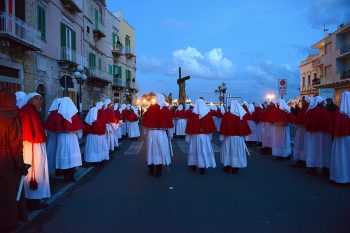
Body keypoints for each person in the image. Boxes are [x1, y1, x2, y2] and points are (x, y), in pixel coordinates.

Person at [0, 89, 28, 232]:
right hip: (7, 159)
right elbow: (15, 145)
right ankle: (9, 222)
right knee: (9, 191)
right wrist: (21, 165)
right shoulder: (13, 117)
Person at [19, 92, 51, 210]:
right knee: (35, 172)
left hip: (35, 145)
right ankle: (33, 201)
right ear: (31, 100)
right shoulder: (28, 112)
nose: (41, 101)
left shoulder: (32, 111)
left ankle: (34, 199)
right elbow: (28, 132)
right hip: (32, 147)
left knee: (38, 171)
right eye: (38, 99)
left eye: (41, 99)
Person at [142, 93, 174, 177]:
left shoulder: (150, 109)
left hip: (151, 133)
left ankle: (151, 170)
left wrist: (145, 133)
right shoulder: (166, 110)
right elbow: (170, 124)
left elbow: (145, 123)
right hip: (161, 134)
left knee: (151, 151)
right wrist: (170, 135)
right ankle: (158, 171)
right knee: (160, 151)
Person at [54, 97, 84, 182]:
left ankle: (65, 176)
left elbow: (55, 127)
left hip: (61, 137)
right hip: (71, 137)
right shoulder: (73, 115)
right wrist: (79, 136)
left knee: (64, 155)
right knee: (71, 156)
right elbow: (78, 128)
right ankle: (71, 176)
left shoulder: (58, 114)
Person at [219, 100, 251, 174]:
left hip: (229, 138)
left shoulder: (227, 115)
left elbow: (223, 126)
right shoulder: (241, 115)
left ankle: (227, 167)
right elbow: (245, 127)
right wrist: (246, 137)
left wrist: (222, 137)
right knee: (237, 152)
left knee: (228, 151)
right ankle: (235, 167)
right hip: (239, 138)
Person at [185, 98, 216, 175]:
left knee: (194, 150)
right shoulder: (208, 114)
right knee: (204, 151)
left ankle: (194, 165)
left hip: (195, 137)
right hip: (205, 136)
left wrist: (188, 138)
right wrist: (209, 137)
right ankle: (203, 166)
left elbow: (189, 126)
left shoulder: (192, 114)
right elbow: (210, 126)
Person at [304, 96, 332, 175]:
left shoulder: (311, 111)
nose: (324, 103)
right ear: (319, 102)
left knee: (314, 150)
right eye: (322, 101)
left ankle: (313, 168)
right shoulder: (326, 111)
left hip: (314, 134)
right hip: (325, 135)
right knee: (325, 151)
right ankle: (325, 169)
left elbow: (308, 121)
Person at [330, 92, 350, 183]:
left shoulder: (338, 112)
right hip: (347, 139)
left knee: (340, 157)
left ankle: (339, 177)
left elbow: (332, 124)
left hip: (339, 139)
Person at [290, 97, 310, 168]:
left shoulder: (308, 109)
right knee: (299, 145)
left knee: (303, 145)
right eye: (302, 101)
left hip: (304, 131)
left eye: (304, 101)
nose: (303, 102)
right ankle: (299, 160)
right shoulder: (303, 109)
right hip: (300, 130)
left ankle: (303, 160)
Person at [45, 98, 62, 176]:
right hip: (57, 137)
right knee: (57, 153)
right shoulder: (58, 114)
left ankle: (57, 169)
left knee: (54, 152)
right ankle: (58, 169)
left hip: (54, 137)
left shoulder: (52, 114)